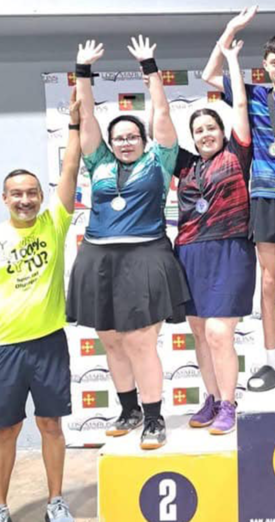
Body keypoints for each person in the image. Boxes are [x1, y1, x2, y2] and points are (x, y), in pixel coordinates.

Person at [68, 37, 189, 450]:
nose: (124, 142)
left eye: (131, 136)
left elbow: (163, 114)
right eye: (118, 137)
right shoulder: (98, 161)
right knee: (111, 339)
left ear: (142, 139)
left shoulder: (160, 159)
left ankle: (154, 418)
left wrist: (150, 68)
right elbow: (86, 117)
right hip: (99, 257)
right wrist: (82, 72)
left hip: (145, 255)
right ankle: (129, 410)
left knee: (139, 340)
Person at [0, 91, 81, 522]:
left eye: (32, 193)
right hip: (5, 350)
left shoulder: (54, 223)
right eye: (17, 194)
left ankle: (56, 501)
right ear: (5, 198)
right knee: (7, 429)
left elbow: (70, 168)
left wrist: (74, 125)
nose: (26, 200)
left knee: (51, 426)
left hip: (49, 344)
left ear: (40, 196)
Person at [201, 6, 275, 392]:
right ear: (265, 66)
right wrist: (230, 29)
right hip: (264, 198)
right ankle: (271, 362)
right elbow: (209, 74)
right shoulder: (251, 94)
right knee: (269, 281)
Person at [173, 38, 254, 435]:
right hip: (188, 252)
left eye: (211, 128)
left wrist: (231, 59)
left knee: (219, 332)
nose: (205, 134)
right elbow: (159, 129)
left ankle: (228, 403)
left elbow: (240, 106)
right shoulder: (186, 165)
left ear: (223, 132)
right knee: (200, 333)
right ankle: (211, 396)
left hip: (230, 249)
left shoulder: (237, 154)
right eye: (198, 130)